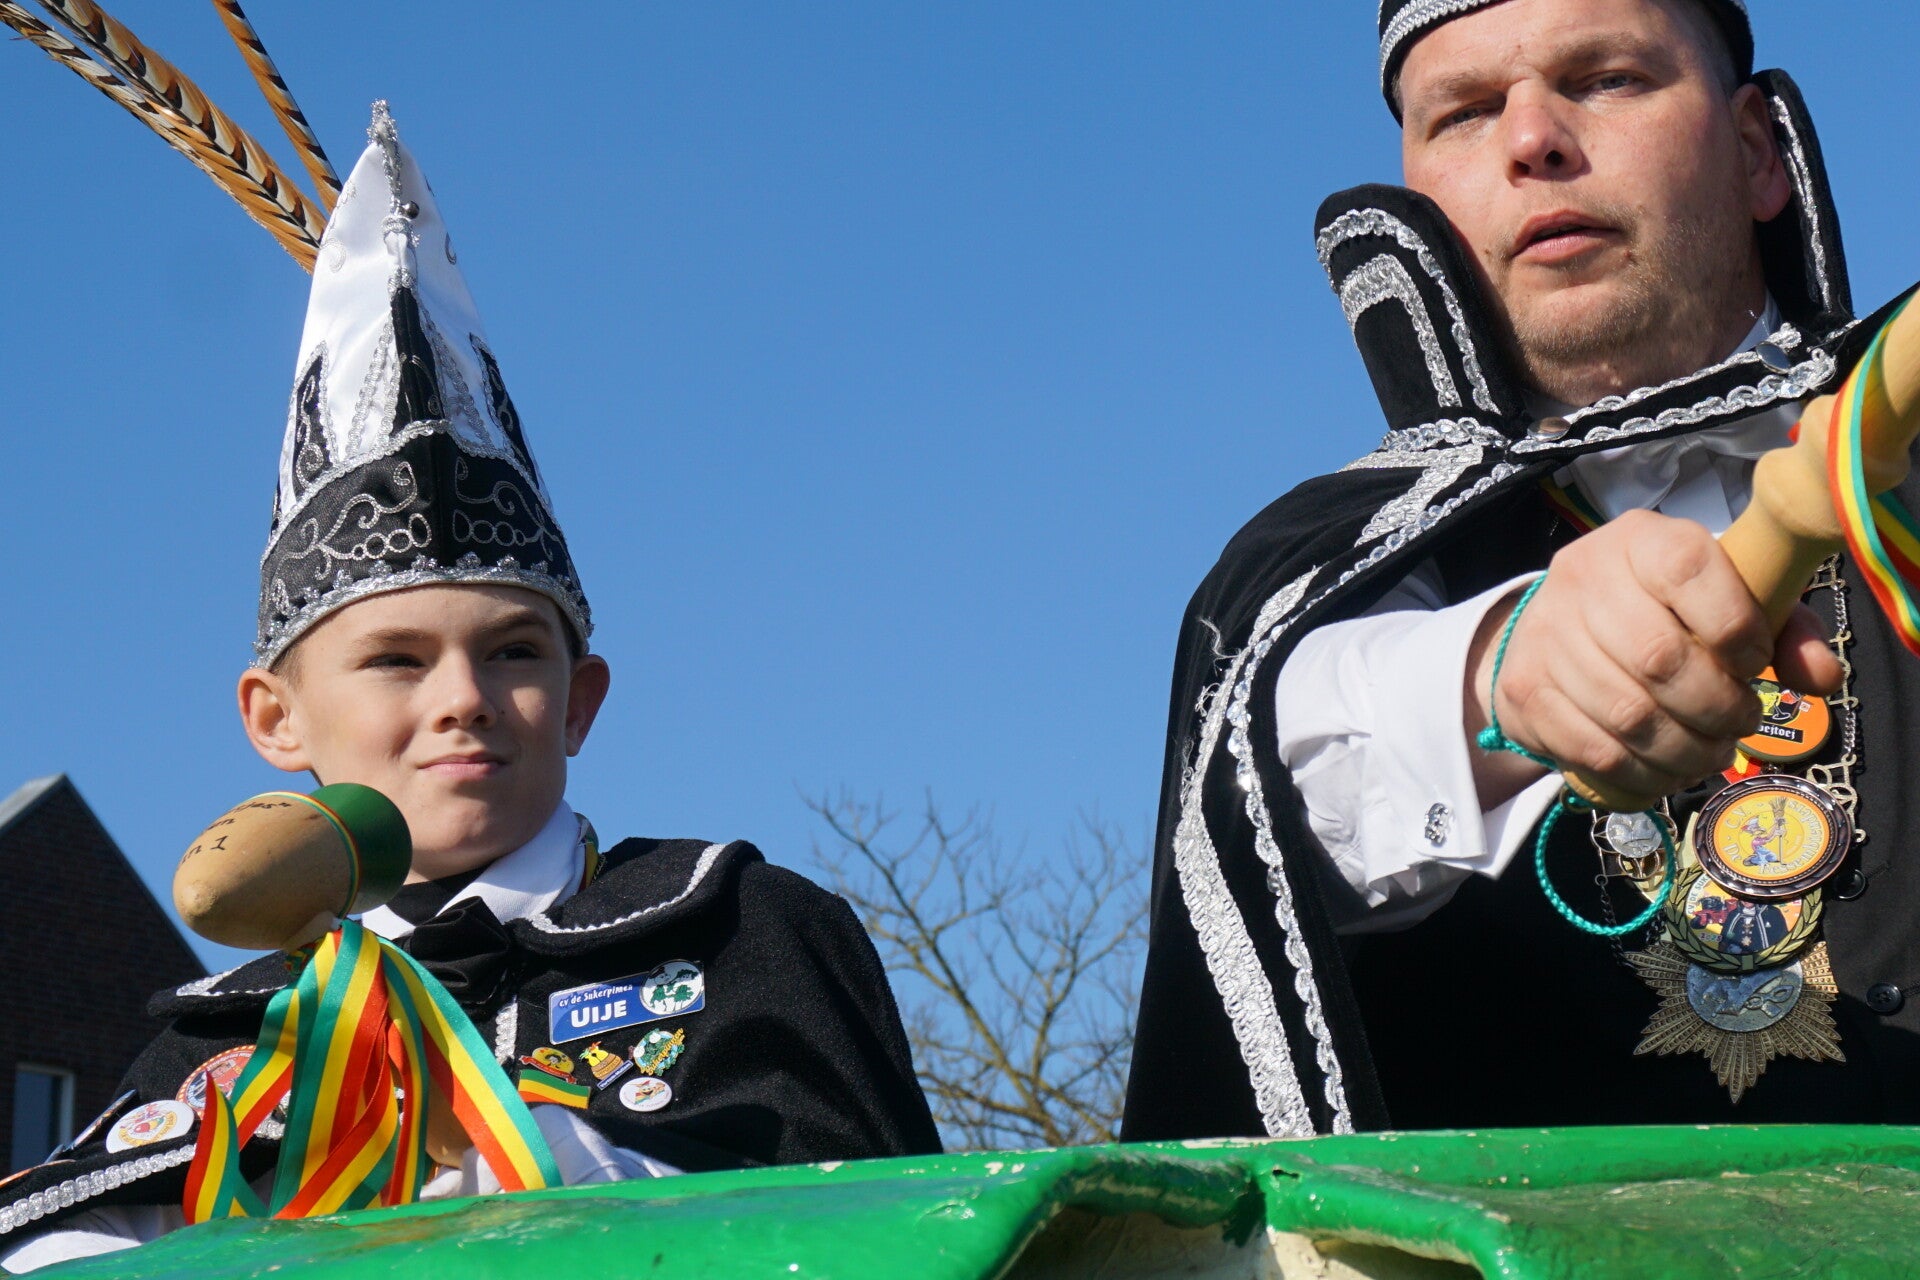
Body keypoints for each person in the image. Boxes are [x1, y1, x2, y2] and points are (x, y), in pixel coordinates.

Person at [0, 104, 938, 1273]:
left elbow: (881, 1222)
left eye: (513, 651)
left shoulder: (744, 933)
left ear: (580, 699)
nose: (464, 697)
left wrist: (490, 1137)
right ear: (275, 716)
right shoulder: (223, 1034)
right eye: (397, 658)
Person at [1123, 0, 1920, 1142]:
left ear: (1755, 151)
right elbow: (1274, 784)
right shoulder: (1317, 586)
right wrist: (1496, 672)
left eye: (1607, 79)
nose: (1533, 139)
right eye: (1465, 111)